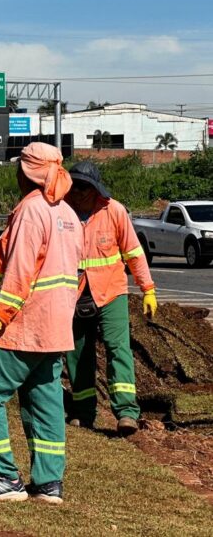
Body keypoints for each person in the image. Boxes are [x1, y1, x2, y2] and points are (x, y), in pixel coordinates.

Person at [0, 142, 83, 504]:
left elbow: (19, 273)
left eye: (19, 168)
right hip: (57, 328)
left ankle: (3, 477)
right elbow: (78, 274)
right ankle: (49, 484)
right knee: (44, 402)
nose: (16, 173)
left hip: (24, 326)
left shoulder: (31, 211)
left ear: (28, 172)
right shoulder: (67, 214)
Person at [64, 161, 157, 436]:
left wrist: (147, 289)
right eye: (75, 186)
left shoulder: (113, 210)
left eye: (85, 187)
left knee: (118, 349)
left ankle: (126, 412)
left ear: (95, 189)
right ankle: (83, 412)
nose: (79, 192)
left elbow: (134, 253)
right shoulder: (61, 211)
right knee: (77, 354)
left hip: (111, 292)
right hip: (74, 292)